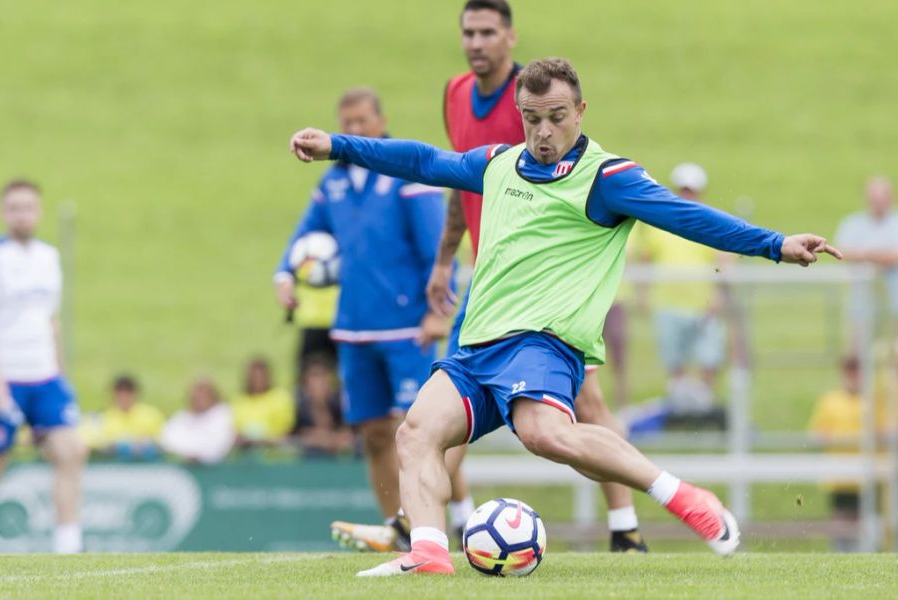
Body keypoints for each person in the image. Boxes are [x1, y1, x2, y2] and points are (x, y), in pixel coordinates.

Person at [289, 57, 842, 576]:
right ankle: (430, 553)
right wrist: (339, 146)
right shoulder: (500, 163)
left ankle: (683, 497)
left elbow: (687, 217)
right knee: (415, 432)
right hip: (477, 345)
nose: (543, 131)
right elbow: (423, 161)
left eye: (556, 118)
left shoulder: (608, 179)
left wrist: (775, 244)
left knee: (543, 433)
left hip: (543, 343)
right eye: (531, 119)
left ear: (580, 112)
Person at [421, 0, 646, 552]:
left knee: (584, 406)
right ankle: (437, 521)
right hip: (490, 278)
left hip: (547, 286)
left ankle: (626, 528)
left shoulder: (534, 98)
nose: (476, 43)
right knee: (447, 401)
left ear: (509, 37)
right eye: (468, 32)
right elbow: (459, 178)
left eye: (488, 32)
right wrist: (446, 258)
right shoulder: (455, 94)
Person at [275, 87, 468, 552]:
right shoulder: (332, 184)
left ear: (381, 122)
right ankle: (395, 529)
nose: (356, 131)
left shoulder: (407, 179)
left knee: (423, 431)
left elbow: (438, 250)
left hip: (407, 329)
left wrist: (437, 315)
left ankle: (459, 517)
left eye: (363, 122)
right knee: (376, 434)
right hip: (354, 328)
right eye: (348, 123)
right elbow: (305, 237)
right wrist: (285, 273)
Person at [0, 179, 88, 553]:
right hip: (6, 374)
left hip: (44, 374)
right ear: (5, 213)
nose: (22, 214)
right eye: (14, 208)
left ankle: (68, 546)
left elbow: (52, 320)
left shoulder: (49, 258)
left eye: (28, 207)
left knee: (72, 449)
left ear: (39, 212)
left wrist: (61, 373)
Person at [637, 163, 728, 421]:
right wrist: (643, 293)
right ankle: (681, 411)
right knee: (674, 359)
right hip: (668, 304)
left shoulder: (710, 221)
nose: (688, 195)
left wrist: (719, 295)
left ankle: (704, 410)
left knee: (709, 358)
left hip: (703, 305)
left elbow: (723, 262)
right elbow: (646, 257)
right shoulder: (660, 223)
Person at [807, 357, 864, 552]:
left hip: (864, 476)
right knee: (840, 519)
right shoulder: (831, 401)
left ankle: (863, 554)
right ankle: (840, 554)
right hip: (840, 476)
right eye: (850, 371)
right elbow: (817, 432)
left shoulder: (871, 401)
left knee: (862, 519)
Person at [834, 177, 898, 343]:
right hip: (860, 300)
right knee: (856, 346)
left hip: (894, 299)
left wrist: (865, 255)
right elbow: (841, 253)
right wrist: (880, 256)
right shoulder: (852, 223)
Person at [80, 374, 165, 459]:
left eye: (128, 392)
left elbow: (164, 441)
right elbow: (88, 441)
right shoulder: (100, 418)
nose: (124, 396)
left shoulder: (152, 415)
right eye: (120, 392)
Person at [161, 377, 235, 464]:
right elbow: (167, 441)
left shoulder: (222, 415)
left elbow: (220, 444)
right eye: (196, 397)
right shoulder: (181, 417)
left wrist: (199, 454)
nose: (199, 400)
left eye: (203, 396)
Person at [293, 354, 355, 457]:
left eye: (323, 379)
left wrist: (326, 438)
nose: (320, 385)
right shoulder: (300, 410)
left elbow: (347, 436)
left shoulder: (340, 405)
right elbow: (298, 437)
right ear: (306, 386)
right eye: (315, 379)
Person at [231, 356, 295, 446]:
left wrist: (264, 439)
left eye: (260, 375)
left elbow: (286, 429)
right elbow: (234, 429)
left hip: (274, 449)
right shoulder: (238, 400)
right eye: (254, 376)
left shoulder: (280, 397)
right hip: (245, 449)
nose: (257, 379)